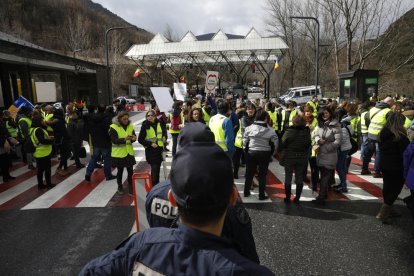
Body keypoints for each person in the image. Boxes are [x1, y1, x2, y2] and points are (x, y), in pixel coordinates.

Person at [79, 139, 274, 275]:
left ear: (172, 199)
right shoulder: (248, 271)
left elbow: (90, 271)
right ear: (233, 197)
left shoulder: (142, 245)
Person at [145, 122, 260, 263]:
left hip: (165, 261)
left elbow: (153, 228)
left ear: (172, 198)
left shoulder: (155, 193)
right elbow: (247, 252)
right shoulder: (226, 200)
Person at [376, 112, 409, 224]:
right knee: (396, 189)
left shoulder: (383, 133)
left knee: (387, 186)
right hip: (397, 166)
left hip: (384, 164)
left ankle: (390, 208)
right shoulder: (401, 137)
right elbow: (405, 154)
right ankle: (384, 211)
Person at [243, 109, 278, 200]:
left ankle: (246, 192)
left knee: (249, 173)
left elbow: (245, 140)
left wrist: (245, 150)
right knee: (262, 175)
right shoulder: (270, 130)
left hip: (252, 152)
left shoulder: (249, 128)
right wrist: (272, 153)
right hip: (265, 153)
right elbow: (275, 143)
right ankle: (261, 195)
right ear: (265, 118)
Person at [312, 107, 341, 205]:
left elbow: (338, 142)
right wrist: (317, 140)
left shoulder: (336, 125)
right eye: (323, 114)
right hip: (320, 154)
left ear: (330, 113)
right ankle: (324, 194)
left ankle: (321, 197)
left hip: (330, 154)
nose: (325, 115)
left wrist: (327, 148)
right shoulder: (319, 124)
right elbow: (314, 134)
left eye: (327, 113)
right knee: (323, 175)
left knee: (325, 176)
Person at [280, 115, 311, 203]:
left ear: (293, 122)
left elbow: (283, 143)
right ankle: (297, 198)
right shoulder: (306, 132)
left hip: (289, 156)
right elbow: (308, 144)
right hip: (301, 157)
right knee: (299, 177)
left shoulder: (289, 131)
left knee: (288, 177)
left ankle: (287, 197)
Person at [85, 105, 116, 182]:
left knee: (94, 158)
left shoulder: (92, 118)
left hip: (95, 141)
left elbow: (89, 129)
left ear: (97, 109)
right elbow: (109, 130)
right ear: (105, 109)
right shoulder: (107, 118)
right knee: (107, 159)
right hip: (105, 141)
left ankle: (88, 173)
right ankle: (108, 175)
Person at [365, 96, 394, 178]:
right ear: (389, 103)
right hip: (380, 135)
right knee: (379, 153)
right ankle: (376, 171)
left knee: (369, 152)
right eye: (392, 103)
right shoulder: (388, 111)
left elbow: (366, 119)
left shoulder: (373, 108)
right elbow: (390, 125)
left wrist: (370, 128)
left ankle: (364, 168)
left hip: (371, 133)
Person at [109, 111, 137, 194]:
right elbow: (114, 140)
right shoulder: (113, 127)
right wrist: (124, 139)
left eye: (127, 119)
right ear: (119, 119)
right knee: (120, 171)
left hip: (129, 153)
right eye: (124, 119)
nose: (126, 120)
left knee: (130, 171)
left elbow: (133, 137)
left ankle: (130, 187)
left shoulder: (130, 126)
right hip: (118, 154)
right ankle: (119, 186)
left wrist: (134, 138)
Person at [138, 110, 167, 186]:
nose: (150, 117)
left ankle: (156, 185)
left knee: (157, 170)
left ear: (155, 116)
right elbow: (140, 139)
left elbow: (164, 132)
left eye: (151, 115)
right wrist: (150, 143)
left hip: (159, 150)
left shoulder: (159, 123)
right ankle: (154, 187)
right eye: (148, 116)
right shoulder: (145, 125)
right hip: (151, 151)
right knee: (154, 170)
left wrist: (164, 137)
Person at [31, 115, 55, 189]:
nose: (44, 121)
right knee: (47, 169)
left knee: (40, 170)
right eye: (42, 120)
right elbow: (42, 141)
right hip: (44, 152)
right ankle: (48, 184)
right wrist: (52, 140)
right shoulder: (39, 130)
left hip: (38, 152)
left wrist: (49, 138)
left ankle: (40, 185)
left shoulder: (33, 129)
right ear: (39, 122)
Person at [49, 108, 71, 176]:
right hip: (63, 140)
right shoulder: (59, 120)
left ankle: (64, 168)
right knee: (65, 154)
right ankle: (62, 168)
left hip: (59, 139)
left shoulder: (55, 119)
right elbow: (62, 131)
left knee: (64, 154)